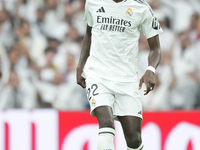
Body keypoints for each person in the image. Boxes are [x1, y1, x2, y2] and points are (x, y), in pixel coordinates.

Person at [76, 0, 163, 150]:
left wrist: (151, 70)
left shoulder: (142, 8)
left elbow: (155, 48)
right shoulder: (93, 2)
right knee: (106, 124)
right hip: (97, 74)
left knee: (134, 140)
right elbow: (89, 33)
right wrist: (80, 65)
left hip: (127, 80)